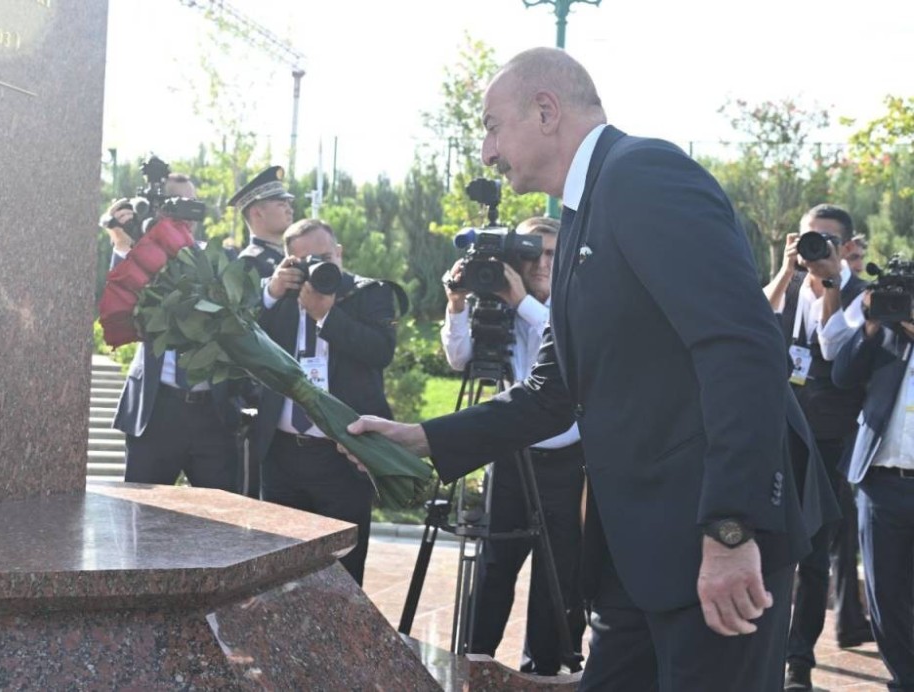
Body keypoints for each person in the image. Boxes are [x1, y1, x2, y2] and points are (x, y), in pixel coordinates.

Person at [345, 46, 838, 691]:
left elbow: (742, 349)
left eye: (493, 127)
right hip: (638, 553)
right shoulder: (581, 212)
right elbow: (554, 389)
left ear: (545, 111)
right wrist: (425, 438)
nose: (487, 153)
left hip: (709, 542)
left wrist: (730, 527)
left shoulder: (645, 175)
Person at [441, 216, 585, 675]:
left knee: (557, 573)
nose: (542, 262)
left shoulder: (571, 303)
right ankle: (475, 661)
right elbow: (458, 357)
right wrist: (458, 303)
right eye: (531, 252)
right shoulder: (495, 307)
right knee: (495, 564)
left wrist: (522, 302)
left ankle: (541, 668)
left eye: (550, 253)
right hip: (510, 455)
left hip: (568, 462)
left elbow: (567, 341)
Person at [250, 218, 400, 585]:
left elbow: (380, 351)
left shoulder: (369, 294)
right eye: (303, 262)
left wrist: (326, 315)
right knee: (278, 570)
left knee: (343, 573)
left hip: (343, 456)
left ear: (339, 253)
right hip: (282, 455)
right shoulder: (278, 298)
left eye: (323, 257)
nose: (316, 267)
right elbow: (240, 334)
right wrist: (270, 292)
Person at [763, 205, 873, 690]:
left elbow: (832, 349)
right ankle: (764, 654)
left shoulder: (862, 296)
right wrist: (787, 271)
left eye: (826, 240)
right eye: (809, 238)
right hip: (781, 432)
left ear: (846, 246)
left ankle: (797, 664)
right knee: (767, 548)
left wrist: (830, 282)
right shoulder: (790, 285)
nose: (816, 248)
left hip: (831, 442)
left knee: (811, 556)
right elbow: (757, 317)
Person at [106, 174, 243, 492]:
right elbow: (123, 306)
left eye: (194, 204)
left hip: (213, 413)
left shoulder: (219, 258)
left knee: (223, 523)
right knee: (141, 518)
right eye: (179, 205)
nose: (189, 215)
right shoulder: (139, 258)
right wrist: (123, 238)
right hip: (156, 411)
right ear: (158, 211)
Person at [832, 298, 914, 692]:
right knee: (884, 592)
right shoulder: (883, 335)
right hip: (881, 482)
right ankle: (905, 679)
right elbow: (842, 375)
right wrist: (868, 325)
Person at [228, 165, 296, 497]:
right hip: (267, 398)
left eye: (288, 201)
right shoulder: (247, 264)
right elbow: (241, 327)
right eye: (279, 202)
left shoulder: (300, 259)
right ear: (256, 212)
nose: (289, 206)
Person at [229, 165, 295, 280]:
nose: (290, 210)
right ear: (257, 213)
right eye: (281, 204)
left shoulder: (290, 254)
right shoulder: (249, 263)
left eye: (289, 204)